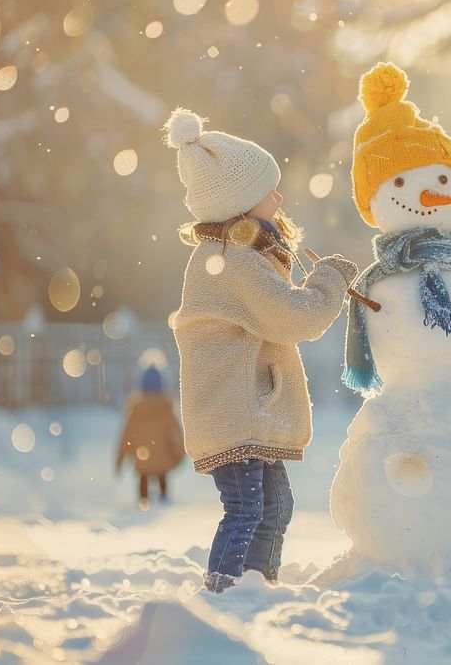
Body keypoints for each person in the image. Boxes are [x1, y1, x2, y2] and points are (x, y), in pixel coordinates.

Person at [164, 108, 358, 593]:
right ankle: (225, 591)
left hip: (242, 408)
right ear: (243, 202)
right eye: (270, 189)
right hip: (233, 409)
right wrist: (329, 280)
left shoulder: (239, 254)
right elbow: (294, 316)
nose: (280, 196)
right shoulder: (231, 262)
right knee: (248, 509)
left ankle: (256, 586)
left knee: (273, 507)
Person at [115, 365, 184, 507]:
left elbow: (126, 436)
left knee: (143, 478)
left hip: (142, 459)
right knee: (162, 477)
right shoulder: (166, 409)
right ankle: (163, 497)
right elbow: (177, 435)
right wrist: (179, 454)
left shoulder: (136, 410)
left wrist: (120, 459)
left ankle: (143, 499)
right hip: (162, 460)